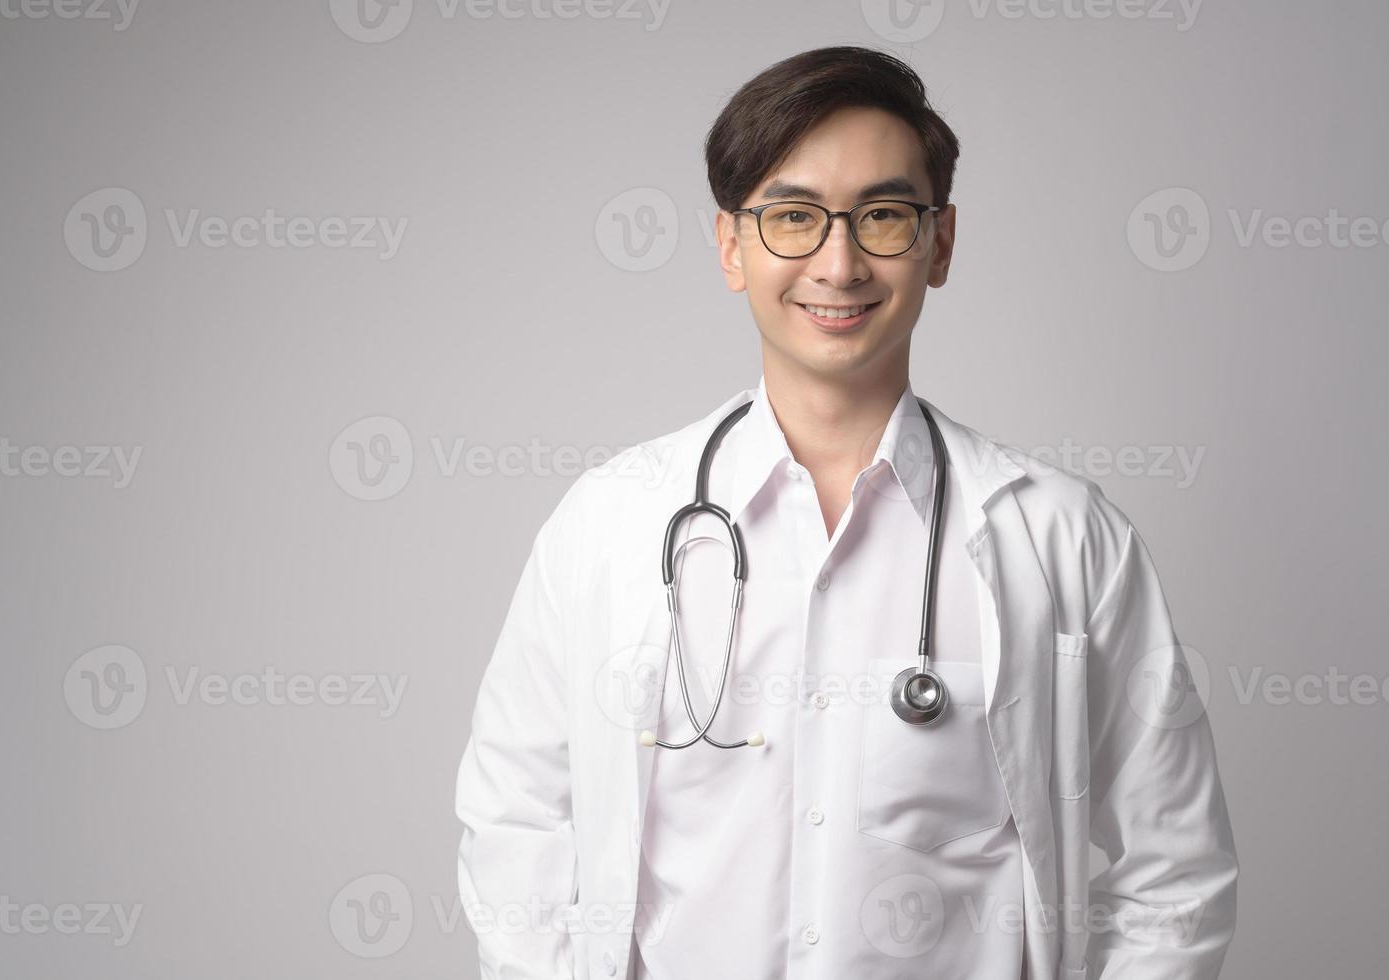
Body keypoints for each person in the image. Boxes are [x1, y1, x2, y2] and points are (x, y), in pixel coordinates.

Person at [455, 45, 1237, 980]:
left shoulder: (1064, 539)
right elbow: (516, 818)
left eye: (882, 216)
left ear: (938, 242)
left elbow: (1174, 871)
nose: (838, 261)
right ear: (730, 246)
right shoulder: (608, 526)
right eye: (792, 217)